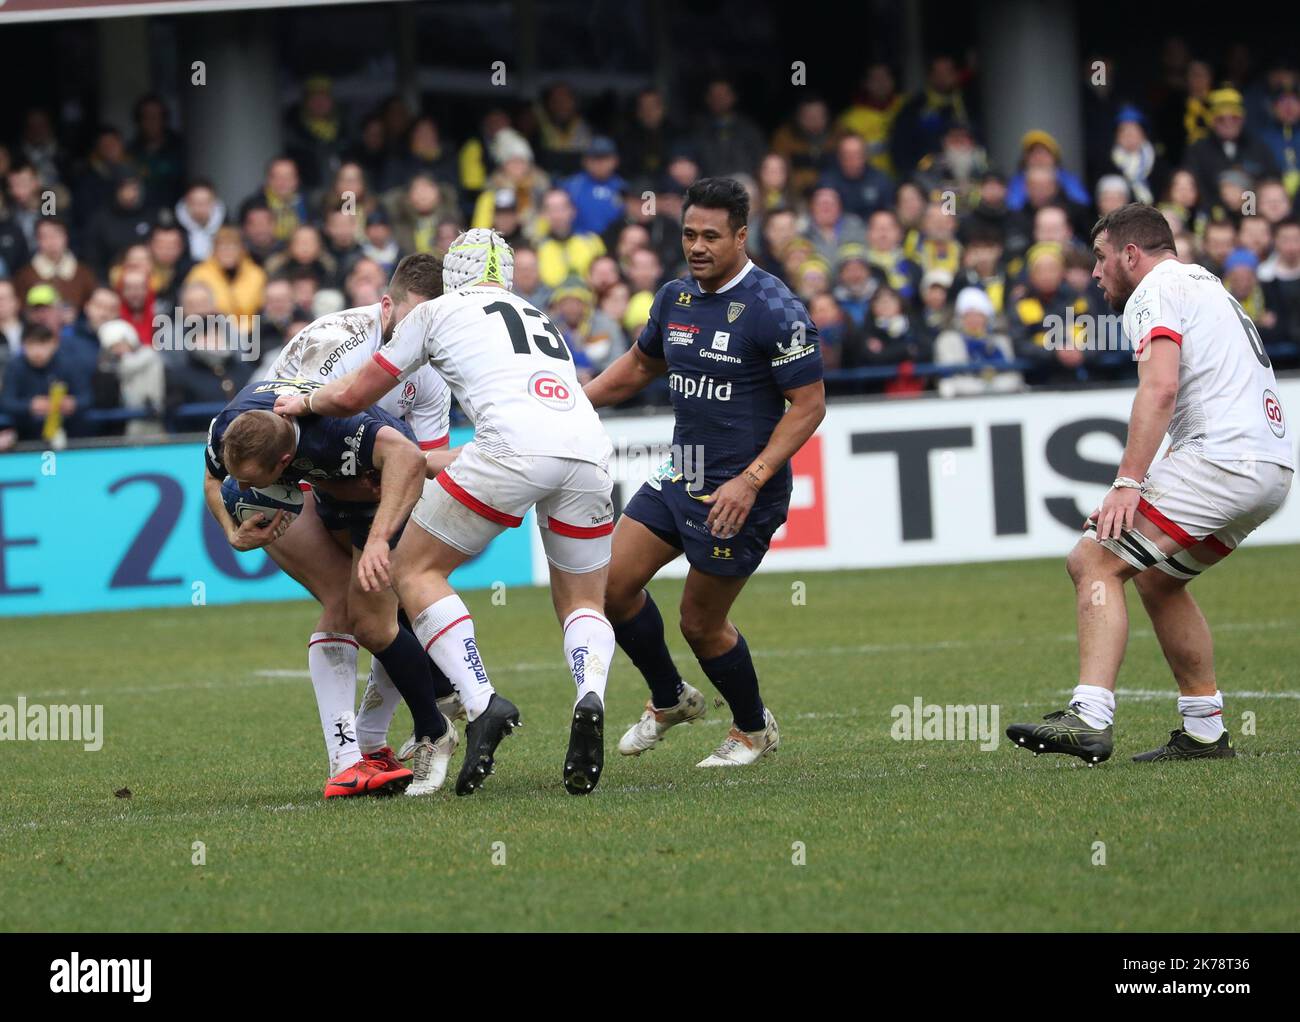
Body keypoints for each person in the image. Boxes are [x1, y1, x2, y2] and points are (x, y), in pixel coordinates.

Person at [274, 229, 618, 799]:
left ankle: (482, 702)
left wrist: (306, 403)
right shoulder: (537, 314)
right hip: (590, 448)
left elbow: (354, 394)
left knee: (409, 572)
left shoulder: (434, 314)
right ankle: (592, 693)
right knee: (583, 600)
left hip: (509, 449)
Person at [1007, 203, 1293, 764]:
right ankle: (1204, 728)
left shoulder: (1155, 289)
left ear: (1131, 255)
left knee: (1092, 560)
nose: (1094, 272)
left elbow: (1159, 388)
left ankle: (1089, 716)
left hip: (1221, 456)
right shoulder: (1205, 285)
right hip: (1271, 464)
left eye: (1099, 257)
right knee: (1158, 580)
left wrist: (1127, 481)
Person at [583, 177, 825, 767]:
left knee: (700, 623)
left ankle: (752, 730)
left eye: (711, 236)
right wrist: (570, 402)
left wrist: (751, 479)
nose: (697, 246)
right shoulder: (673, 299)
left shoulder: (776, 309)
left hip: (742, 490)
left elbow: (810, 405)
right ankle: (670, 698)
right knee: (610, 586)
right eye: (689, 233)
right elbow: (640, 366)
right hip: (680, 472)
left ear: (741, 237)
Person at [204, 372, 441, 799]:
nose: (245, 488)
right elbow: (214, 480)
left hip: (382, 491)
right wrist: (230, 532)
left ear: (283, 464)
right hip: (330, 487)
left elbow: (411, 461)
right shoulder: (230, 430)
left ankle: (433, 718)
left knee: (372, 619)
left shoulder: (340, 431)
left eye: (255, 481)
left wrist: (378, 542)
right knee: (350, 608)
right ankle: (358, 758)